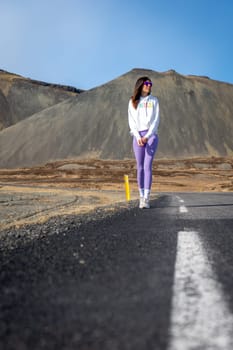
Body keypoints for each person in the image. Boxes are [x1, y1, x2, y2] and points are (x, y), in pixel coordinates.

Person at [128, 76, 160, 209]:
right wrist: (137, 136)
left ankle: (146, 198)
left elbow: (156, 120)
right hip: (137, 136)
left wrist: (147, 136)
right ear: (140, 85)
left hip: (151, 135)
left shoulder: (154, 100)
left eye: (150, 84)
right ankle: (141, 196)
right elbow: (131, 122)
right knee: (139, 167)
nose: (149, 85)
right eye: (147, 83)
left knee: (147, 166)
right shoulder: (132, 102)